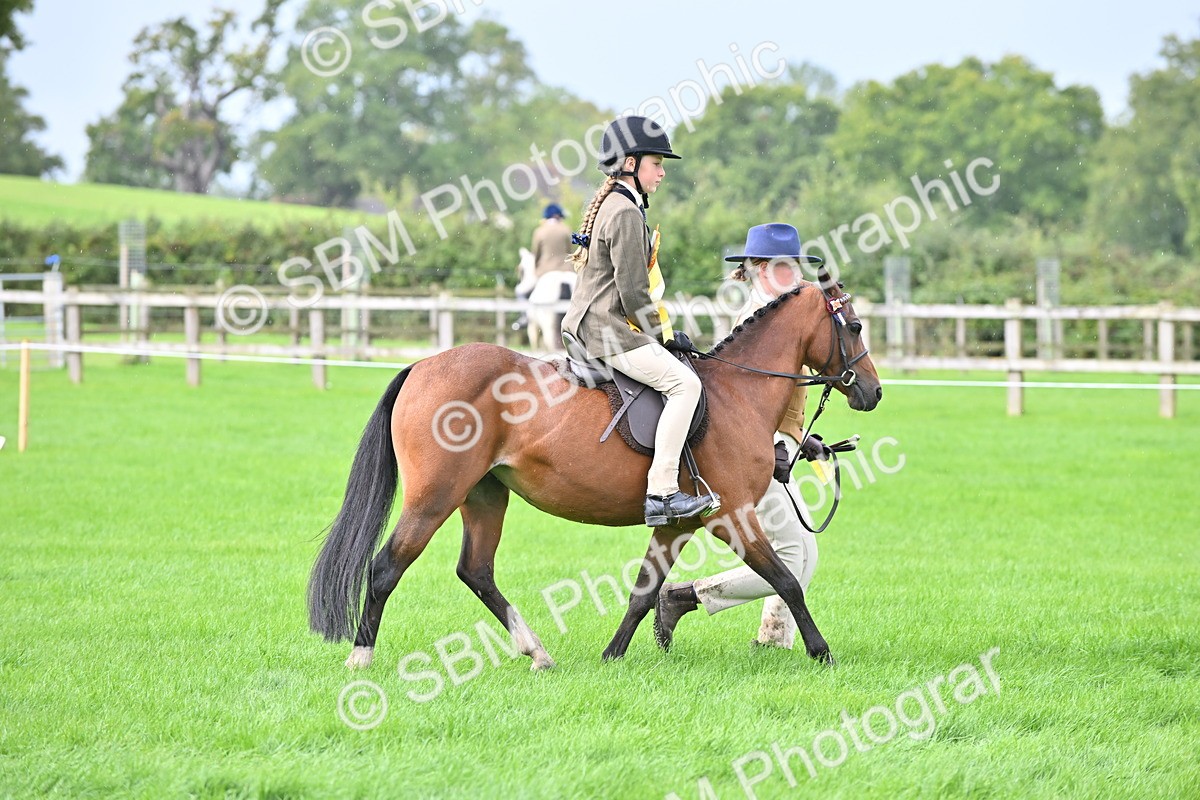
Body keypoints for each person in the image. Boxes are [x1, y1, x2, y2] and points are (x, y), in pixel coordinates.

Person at [654, 223, 830, 649]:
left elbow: (783, 397)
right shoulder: (756, 319)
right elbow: (745, 405)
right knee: (792, 556)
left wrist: (800, 438)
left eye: (798, 267)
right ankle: (683, 596)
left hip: (775, 447)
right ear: (762, 269)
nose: (799, 277)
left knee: (804, 554)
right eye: (789, 268)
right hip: (750, 455)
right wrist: (776, 445)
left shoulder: (785, 315)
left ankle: (771, 636)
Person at [562, 116, 717, 527]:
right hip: (604, 331)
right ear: (630, 164)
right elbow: (633, 292)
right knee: (685, 384)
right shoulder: (626, 212)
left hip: (588, 324)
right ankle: (662, 492)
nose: (663, 172)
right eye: (656, 163)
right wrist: (662, 337)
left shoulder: (613, 203)